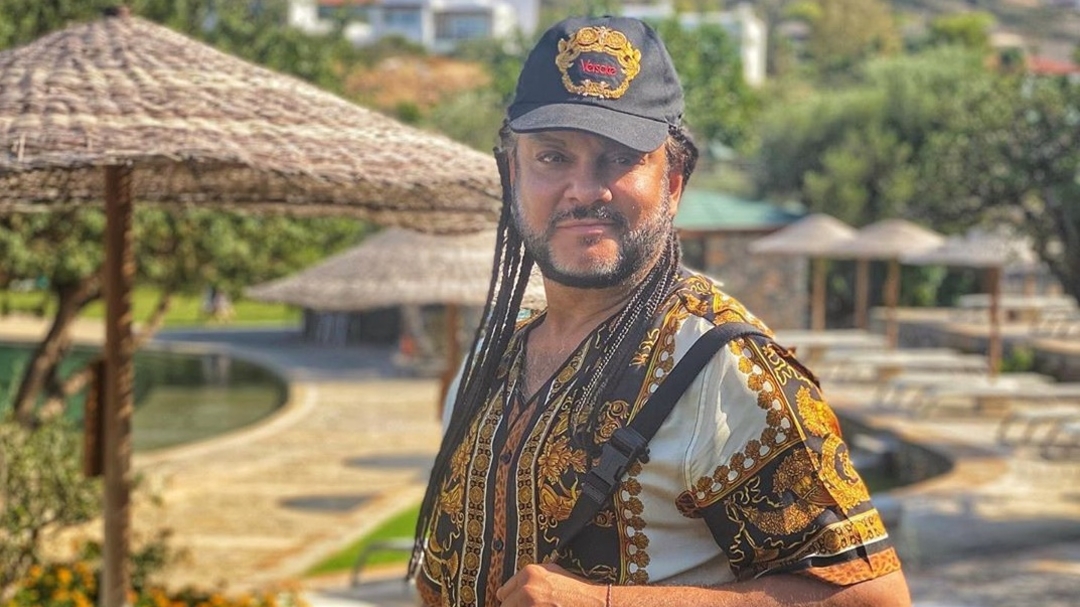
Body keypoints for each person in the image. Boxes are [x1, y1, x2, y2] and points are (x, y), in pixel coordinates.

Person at [409, 15, 910, 607]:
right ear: (513, 174)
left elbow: (874, 597)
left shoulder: (726, 369)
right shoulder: (491, 357)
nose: (584, 190)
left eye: (620, 158)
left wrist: (606, 604)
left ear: (672, 182)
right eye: (552, 157)